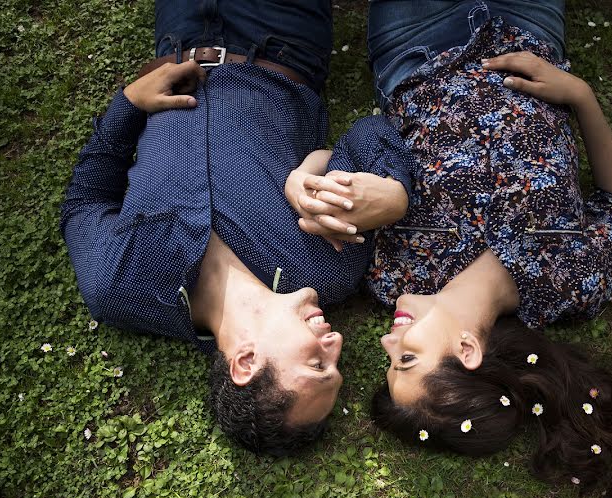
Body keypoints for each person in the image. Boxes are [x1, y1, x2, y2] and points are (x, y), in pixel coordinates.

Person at [295, 0, 612, 498]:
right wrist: (581, 98)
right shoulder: (570, 284)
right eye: (406, 358)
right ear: (467, 349)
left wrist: (314, 179)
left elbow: (352, 154)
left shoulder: (390, 273)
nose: (386, 341)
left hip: (414, 43)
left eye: (389, 359)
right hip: (531, 27)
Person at [60, 0, 412, 455]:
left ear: (245, 362)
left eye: (317, 364)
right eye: (336, 364)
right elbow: (369, 136)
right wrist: (391, 192)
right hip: (284, 37)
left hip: (180, 34)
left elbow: (83, 202)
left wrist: (128, 105)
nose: (337, 343)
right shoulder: (327, 267)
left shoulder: (122, 285)